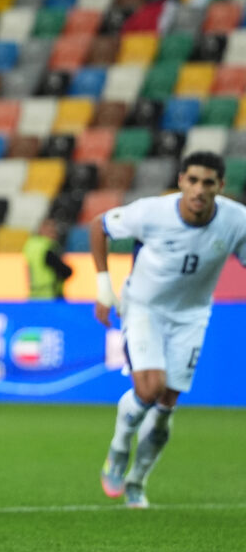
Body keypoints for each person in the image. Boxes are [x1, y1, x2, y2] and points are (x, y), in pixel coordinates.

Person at [93, 151, 246, 509]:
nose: (199, 190)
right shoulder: (152, 212)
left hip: (191, 316)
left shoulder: (237, 220)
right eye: (192, 180)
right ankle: (119, 448)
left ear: (220, 186)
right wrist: (103, 286)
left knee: (166, 404)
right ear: (181, 181)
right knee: (150, 388)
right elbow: (99, 226)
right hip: (144, 308)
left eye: (208, 183)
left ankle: (137, 481)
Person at [23, 218, 72, 300]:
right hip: (50, 293)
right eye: (51, 231)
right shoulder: (47, 248)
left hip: (34, 293)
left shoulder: (30, 245)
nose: (54, 234)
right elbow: (64, 270)